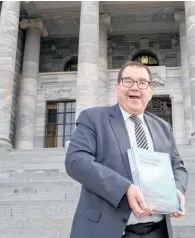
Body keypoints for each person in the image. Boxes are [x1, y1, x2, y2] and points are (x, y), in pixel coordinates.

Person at [65, 61, 188, 238]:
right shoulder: (93, 118)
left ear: (150, 91)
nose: (135, 87)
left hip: (157, 230)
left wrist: (176, 190)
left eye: (142, 82)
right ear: (117, 87)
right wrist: (125, 189)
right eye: (128, 81)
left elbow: (178, 167)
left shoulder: (163, 127)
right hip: (106, 230)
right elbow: (76, 161)